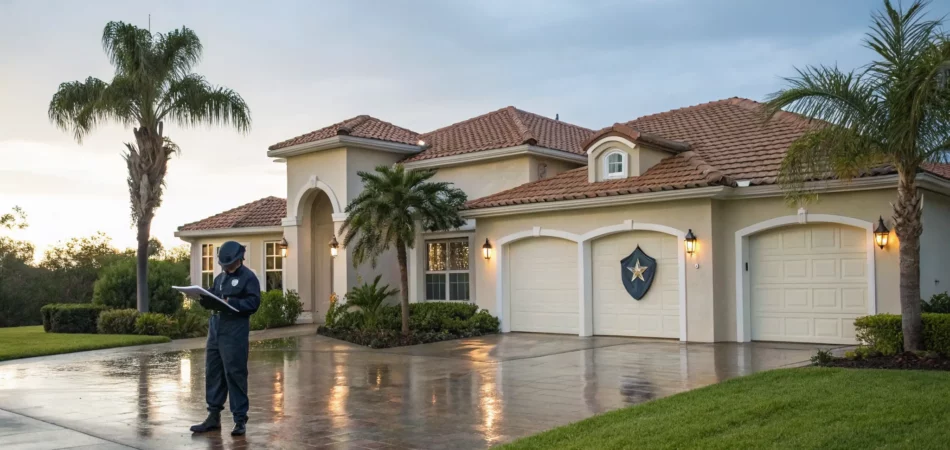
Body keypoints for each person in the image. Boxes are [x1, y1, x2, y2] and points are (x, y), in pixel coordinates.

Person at [190, 241, 261, 436]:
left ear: (239, 260)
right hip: (216, 329)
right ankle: (213, 416)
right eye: (223, 265)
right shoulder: (220, 278)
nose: (226, 268)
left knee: (235, 373)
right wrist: (203, 297)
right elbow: (214, 296)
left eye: (229, 264)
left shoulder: (248, 278)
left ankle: (240, 419)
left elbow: (254, 303)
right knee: (213, 372)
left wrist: (233, 302)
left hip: (235, 331)